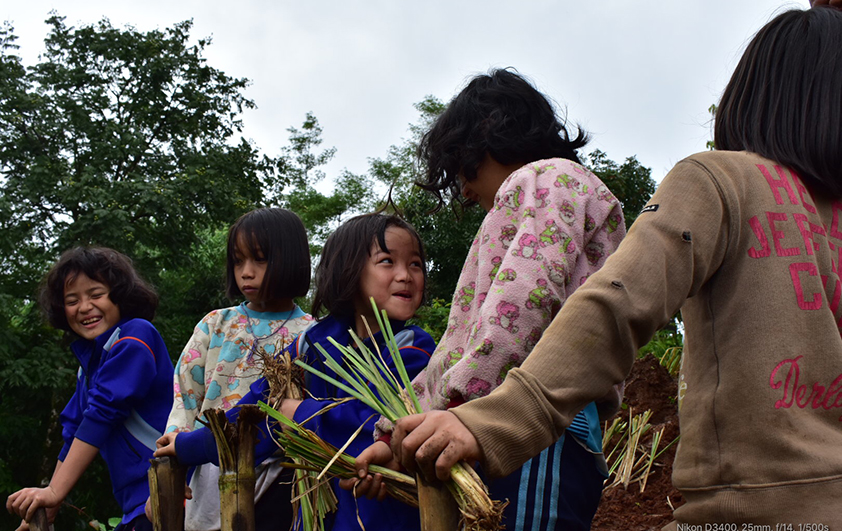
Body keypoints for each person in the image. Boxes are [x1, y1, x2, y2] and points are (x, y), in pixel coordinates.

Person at [383, 7, 842, 529]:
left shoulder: (719, 182)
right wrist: (405, 426)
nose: (465, 190)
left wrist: (483, 420)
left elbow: (609, 304)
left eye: (463, 168)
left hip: (724, 503)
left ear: (754, 95)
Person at [347, 69, 626, 530]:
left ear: (489, 135)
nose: (462, 187)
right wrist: (395, 431)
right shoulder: (540, 193)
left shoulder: (549, 180)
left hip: (536, 427)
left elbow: (518, 317)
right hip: (506, 424)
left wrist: (446, 410)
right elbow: (465, 342)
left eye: (460, 165)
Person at [156, 213, 436, 531]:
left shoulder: (413, 349)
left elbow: (378, 425)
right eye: (388, 261)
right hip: (315, 517)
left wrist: (298, 412)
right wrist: (189, 446)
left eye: (415, 264)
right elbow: (256, 413)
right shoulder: (311, 345)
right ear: (349, 270)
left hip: (382, 518)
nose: (406, 275)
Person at [160, 207, 313, 531]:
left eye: (259, 259)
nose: (246, 272)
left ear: (291, 259)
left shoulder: (310, 334)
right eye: (238, 260)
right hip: (210, 465)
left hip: (282, 479)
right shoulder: (215, 325)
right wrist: (172, 463)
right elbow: (187, 393)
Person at [6, 247, 173, 531]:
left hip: (172, 489)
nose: (84, 307)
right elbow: (74, 432)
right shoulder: (90, 367)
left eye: (96, 295)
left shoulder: (135, 337)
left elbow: (102, 415)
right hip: (136, 503)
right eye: (72, 300)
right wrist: (49, 506)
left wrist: (55, 492)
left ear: (120, 295)